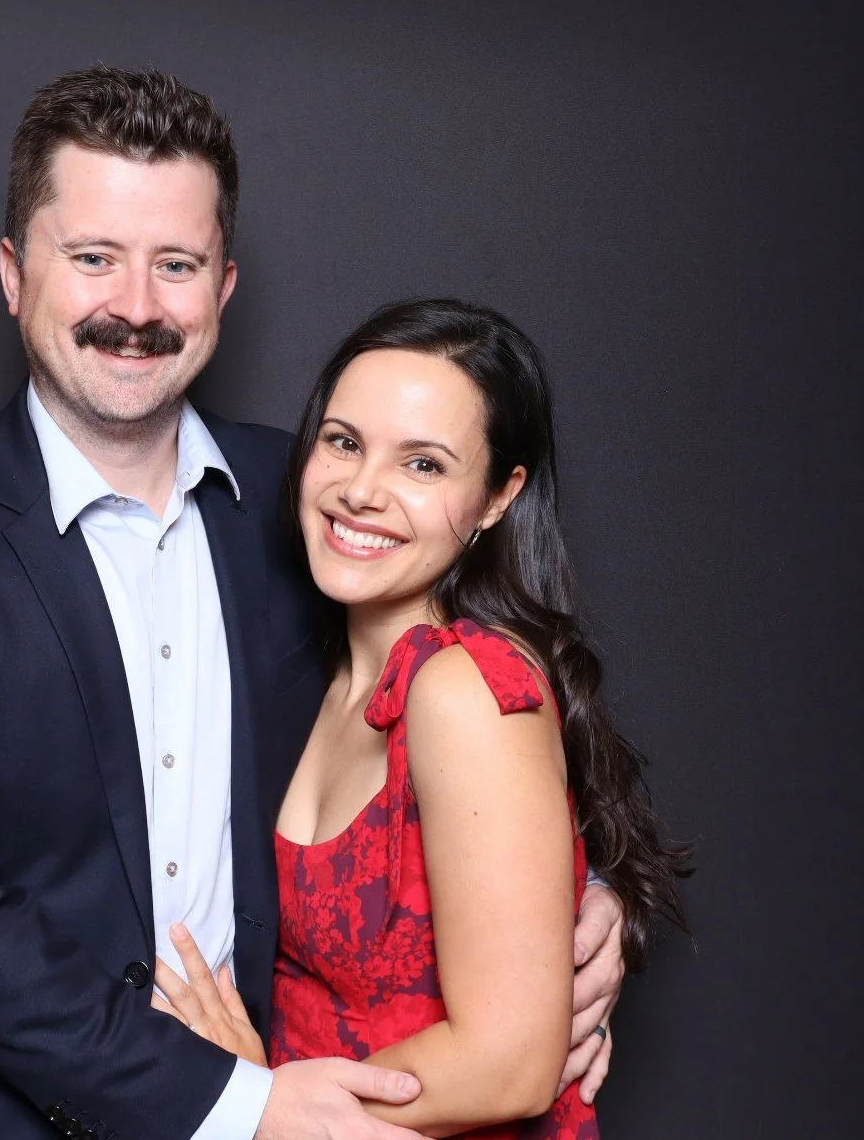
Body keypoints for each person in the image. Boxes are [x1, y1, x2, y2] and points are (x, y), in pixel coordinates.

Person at [0, 67, 626, 1140]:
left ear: (224, 287)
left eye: (175, 265)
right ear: (13, 274)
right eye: (93, 257)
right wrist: (245, 1108)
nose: (136, 308)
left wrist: (580, 907)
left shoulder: (312, 514)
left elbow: (465, 719)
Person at [149, 300, 690, 1138]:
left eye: (425, 466)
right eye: (343, 441)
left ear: (497, 497)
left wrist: (257, 1108)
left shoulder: (467, 686)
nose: (362, 492)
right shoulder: (311, 667)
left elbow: (510, 1063)